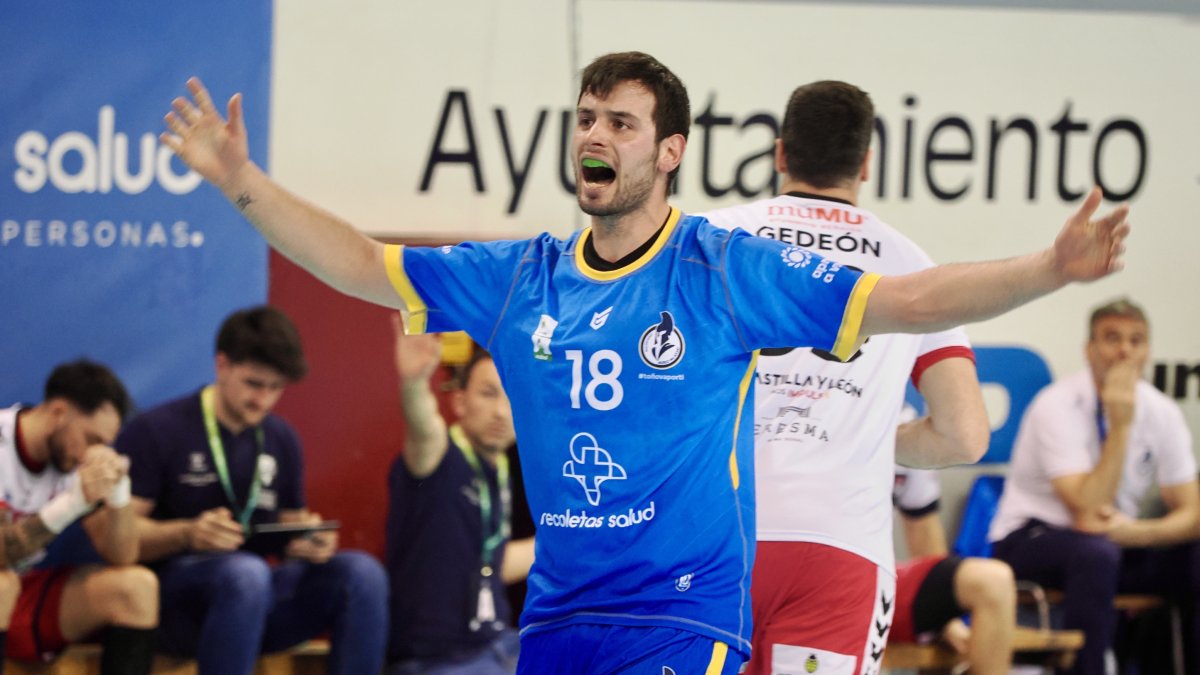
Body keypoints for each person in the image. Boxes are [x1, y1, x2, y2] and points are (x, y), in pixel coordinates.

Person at [159, 51, 1127, 673]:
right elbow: (365, 265)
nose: (594, 135)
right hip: (558, 620)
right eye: (585, 117)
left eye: (620, 123)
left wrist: (1050, 267)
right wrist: (243, 181)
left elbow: (908, 300)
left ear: (669, 152)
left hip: (681, 619)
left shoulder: (722, 268)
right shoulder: (524, 276)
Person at [701, 80, 991, 675]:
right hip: (839, 546)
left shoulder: (705, 239)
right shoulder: (910, 265)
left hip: (709, 533)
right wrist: (868, 436)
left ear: (780, 154)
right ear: (865, 164)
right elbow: (965, 435)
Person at [114, 306, 388, 675]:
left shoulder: (281, 438)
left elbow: (291, 529)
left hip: (253, 600)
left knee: (362, 574)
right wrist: (187, 534)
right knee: (246, 575)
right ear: (222, 365)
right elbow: (120, 541)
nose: (263, 400)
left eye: (275, 388)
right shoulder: (157, 430)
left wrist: (308, 543)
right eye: (254, 384)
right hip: (174, 603)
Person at [989, 298, 1199, 675]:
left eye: (1136, 341)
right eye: (1112, 338)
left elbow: (1193, 512)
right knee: (1096, 553)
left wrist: (1138, 534)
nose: (1124, 351)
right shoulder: (1056, 405)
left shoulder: (1162, 411)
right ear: (1089, 349)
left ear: (1148, 351)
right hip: (1031, 539)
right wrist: (1119, 425)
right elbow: (1087, 511)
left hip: (1117, 542)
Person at [386, 318, 534, 674]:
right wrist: (414, 383)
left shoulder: (501, 469)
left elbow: (494, 562)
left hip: (496, 644)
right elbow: (424, 428)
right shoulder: (440, 456)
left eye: (511, 398)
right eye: (488, 393)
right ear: (460, 401)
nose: (501, 411)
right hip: (437, 660)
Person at [0, 360, 157, 675]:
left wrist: (118, 493)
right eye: (92, 439)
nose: (91, 455)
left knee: (136, 587)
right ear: (59, 412)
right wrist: (72, 504)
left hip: (22, 594)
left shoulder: (73, 460)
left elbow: (123, 555)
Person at [892, 465, 1016, 675]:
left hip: (881, 581)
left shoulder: (905, 438)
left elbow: (923, 530)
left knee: (994, 581)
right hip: (828, 582)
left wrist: (945, 618)